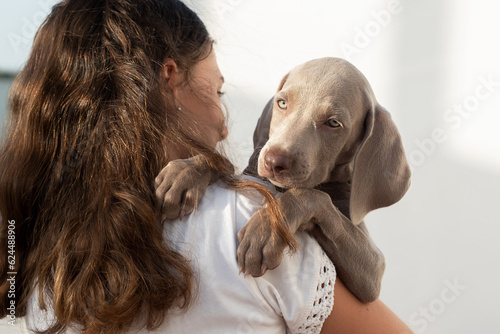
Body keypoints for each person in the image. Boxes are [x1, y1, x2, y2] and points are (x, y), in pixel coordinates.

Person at [0, 0, 412, 333]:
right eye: (217, 90)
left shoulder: (31, 248)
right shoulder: (251, 223)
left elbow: (368, 275)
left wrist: (310, 202)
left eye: (332, 124)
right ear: (170, 78)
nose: (224, 123)